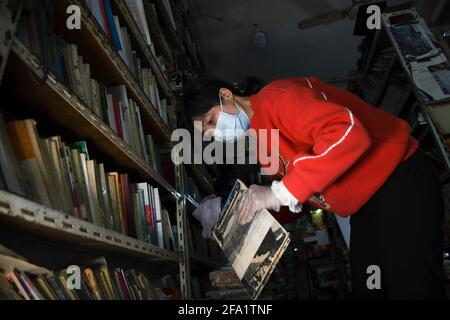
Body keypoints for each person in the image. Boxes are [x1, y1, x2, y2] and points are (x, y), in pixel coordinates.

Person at [184, 77, 446, 300]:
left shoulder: (279, 98)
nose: (214, 134)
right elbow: (299, 193)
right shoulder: (261, 141)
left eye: (211, 120)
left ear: (226, 95)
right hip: (365, 204)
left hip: (397, 177)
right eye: (207, 133)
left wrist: (277, 192)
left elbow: (348, 133)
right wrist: (242, 212)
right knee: (370, 287)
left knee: (412, 285)